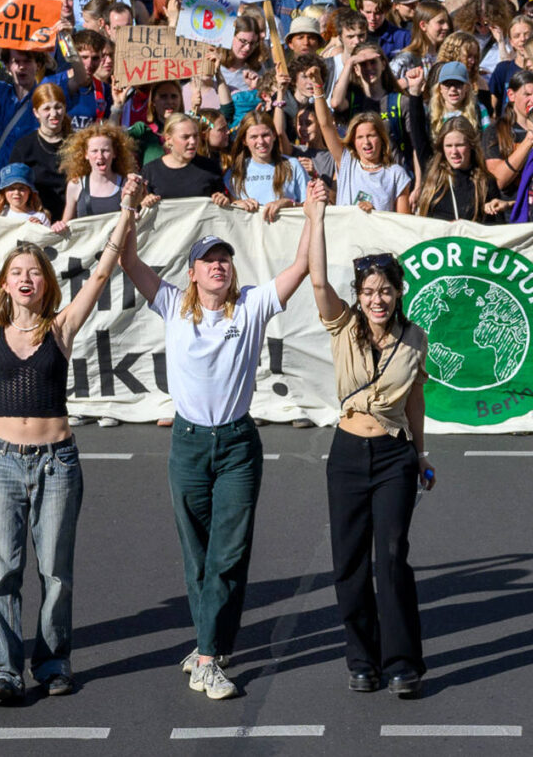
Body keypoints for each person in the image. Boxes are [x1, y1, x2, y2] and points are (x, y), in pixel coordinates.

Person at [0, 186, 134, 703]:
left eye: (35, 271)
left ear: (46, 284)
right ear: (4, 283)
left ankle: (52, 662)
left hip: (58, 463)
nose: (26, 278)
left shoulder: (61, 329)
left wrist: (128, 210)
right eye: (17, 271)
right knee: (0, 574)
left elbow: (103, 273)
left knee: (55, 573)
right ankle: (3, 669)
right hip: (2, 462)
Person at [112, 211, 313, 702]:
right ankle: (213, 642)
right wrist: (129, 209)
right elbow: (127, 259)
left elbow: (305, 263)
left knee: (229, 551)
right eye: (209, 261)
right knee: (198, 554)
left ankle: (206, 659)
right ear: (193, 273)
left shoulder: (252, 305)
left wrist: (315, 212)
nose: (218, 267)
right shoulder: (171, 304)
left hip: (238, 446)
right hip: (188, 443)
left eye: (224, 260)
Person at [302, 185, 431, 697]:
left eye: (385, 291)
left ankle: (402, 662)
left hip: (395, 453)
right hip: (348, 454)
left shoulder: (416, 338)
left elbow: (415, 400)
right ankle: (362, 659)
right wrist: (318, 218)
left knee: (392, 557)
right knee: (349, 562)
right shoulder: (344, 327)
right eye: (368, 292)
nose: (377, 300)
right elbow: (315, 280)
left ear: (398, 292)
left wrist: (421, 453)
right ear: (358, 296)